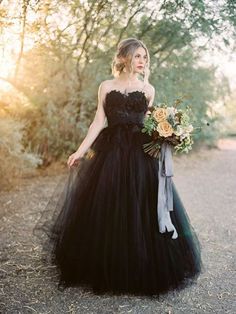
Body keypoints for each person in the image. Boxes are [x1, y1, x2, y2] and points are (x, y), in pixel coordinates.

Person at [34, 38, 202, 296]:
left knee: (139, 206)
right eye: (137, 56)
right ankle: (104, 264)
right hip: (109, 152)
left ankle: (141, 267)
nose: (142, 61)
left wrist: (169, 135)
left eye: (144, 57)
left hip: (139, 154)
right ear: (124, 57)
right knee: (107, 205)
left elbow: (148, 123)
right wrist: (80, 151)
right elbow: (98, 121)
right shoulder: (106, 86)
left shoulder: (148, 89)